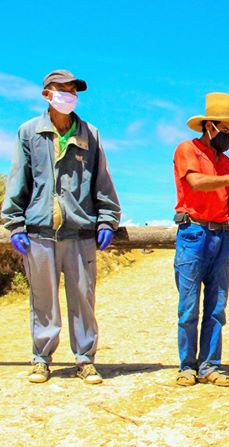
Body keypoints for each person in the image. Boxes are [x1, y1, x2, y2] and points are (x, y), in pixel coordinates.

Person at [2, 69, 121, 384]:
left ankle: (85, 359)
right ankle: (41, 359)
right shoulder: (29, 132)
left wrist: (107, 219)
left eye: (73, 90)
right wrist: (15, 224)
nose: (69, 95)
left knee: (83, 299)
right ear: (47, 94)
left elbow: (102, 181)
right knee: (43, 300)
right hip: (40, 232)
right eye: (63, 89)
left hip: (80, 232)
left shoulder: (90, 134)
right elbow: (18, 179)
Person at [173, 93, 229, 387]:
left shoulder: (227, 161)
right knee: (189, 306)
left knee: (217, 306)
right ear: (209, 126)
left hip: (221, 233)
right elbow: (196, 182)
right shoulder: (187, 149)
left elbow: (226, 202)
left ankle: (210, 365)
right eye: (226, 129)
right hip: (193, 232)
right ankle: (187, 365)